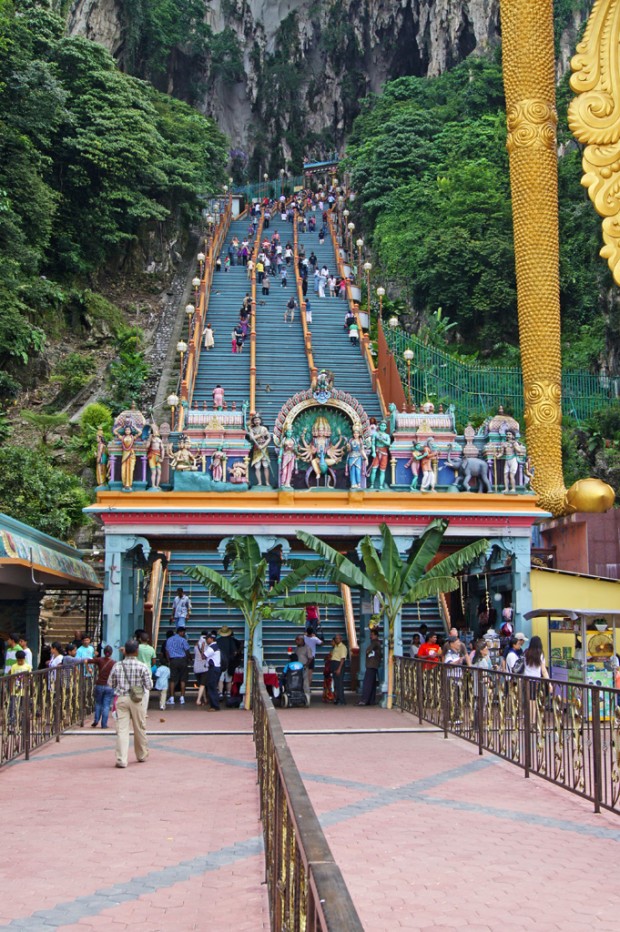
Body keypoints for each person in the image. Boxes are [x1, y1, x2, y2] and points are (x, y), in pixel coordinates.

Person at [108, 639, 152, 769]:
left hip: (121, 698)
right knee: (140, 727)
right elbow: (149, 685)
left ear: (125, 651)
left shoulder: (117, 665)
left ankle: (122, 759)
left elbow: (111, 683)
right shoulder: (142, 666)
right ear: (137, 651)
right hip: (137, 700)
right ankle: (141, 754)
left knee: (122, 729)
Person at [88, 646, 116, 728]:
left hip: (99, 684)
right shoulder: (113, 663)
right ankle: (104, 724)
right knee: (106, 705)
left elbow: (87, 660)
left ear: (104, 652)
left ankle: (96, 720)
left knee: (98, 703)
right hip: (109, 686)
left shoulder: (99, 660)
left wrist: (88, 668)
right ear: (111, 653)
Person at [165, 628, 190, 704]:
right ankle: (182, 698)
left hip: (173, 660)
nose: (184, 634)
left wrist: (169, 661)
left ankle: (172, 698)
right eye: (183, 633)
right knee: (183, 679)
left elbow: (167, 651)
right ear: (180, 632)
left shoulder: (169, 640)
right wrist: (187, 659)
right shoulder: (183, 640)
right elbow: (187, 650)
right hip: (182, 660)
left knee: (172, 679)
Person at [216, 625, 240, 699]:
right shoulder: (231, 641)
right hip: (229, 662)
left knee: (220, 679)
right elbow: (235, 652)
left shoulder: (218, 641)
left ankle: (220, 693)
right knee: (229, 679)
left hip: (220, 662)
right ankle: (228, 693)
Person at [360, 628, 382, 706]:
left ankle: (364, 699)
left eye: (372, 635)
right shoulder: (376, 643)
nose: (370, 636)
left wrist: (368, 651)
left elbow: (368, 650)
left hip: (371, 665)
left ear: (376, 635)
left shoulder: (375, 643)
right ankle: (371, 700)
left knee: (367, 683)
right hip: (374, 665)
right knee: (372, 684)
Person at [204, 633, 221, 710]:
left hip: (213, 669)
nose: (206, 640)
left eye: (207, 638)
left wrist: (201, 648)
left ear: (211, 639)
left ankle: (214, 706)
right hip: (216, 669)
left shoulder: (212, 647)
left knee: (211, 687)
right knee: (213, 687)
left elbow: (203, 656)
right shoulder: (216, 646)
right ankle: (215, 705)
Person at [330, 634, 347, 705]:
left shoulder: (342, 647)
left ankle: (341, 700)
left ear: (341, 639)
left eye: (338, 638)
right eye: (335, 638)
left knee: (339, 683)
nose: (336, 640)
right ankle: (337, 698)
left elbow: (342, 659)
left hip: (339, 664)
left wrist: (339, 669)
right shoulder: (336, 647)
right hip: (334, 664)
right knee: (336, 684)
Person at [194, 631, 209, 706]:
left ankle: (205, 699)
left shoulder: (196, 643)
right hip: (204, 666)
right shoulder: (206, 643)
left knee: (201, 685)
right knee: (203, 684)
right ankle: (198, 700)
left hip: (196, 667)